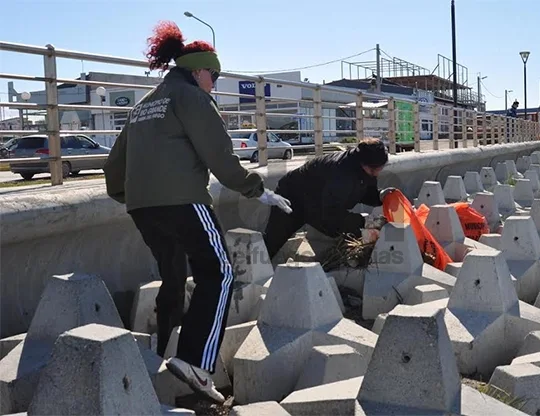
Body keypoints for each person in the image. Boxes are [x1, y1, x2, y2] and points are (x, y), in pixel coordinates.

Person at [103, 21, 292, 402]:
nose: (215, 84)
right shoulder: (191, 98)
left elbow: (112, 171)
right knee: (218, 273)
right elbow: (220, 158)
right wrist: (257, 190)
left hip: (143, 208)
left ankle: (161, 356)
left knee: (173, 273)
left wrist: (138, 195)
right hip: (184, 201)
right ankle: (195, 362)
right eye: (214, 75)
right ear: (198, 70)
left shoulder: (143, 105)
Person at [263, 138, 395, 260]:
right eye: (373, 170)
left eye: (380, 169)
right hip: (293, 196)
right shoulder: (341, 173)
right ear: (362, 162)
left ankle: (339, 262)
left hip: (319, 201)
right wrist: (365, 221)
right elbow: (332, 214)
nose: (376, 173)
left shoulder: (367, 168)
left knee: (347, 230)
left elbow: (363, 192)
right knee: (272, 242)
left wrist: (380, 196)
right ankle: (248, 272)